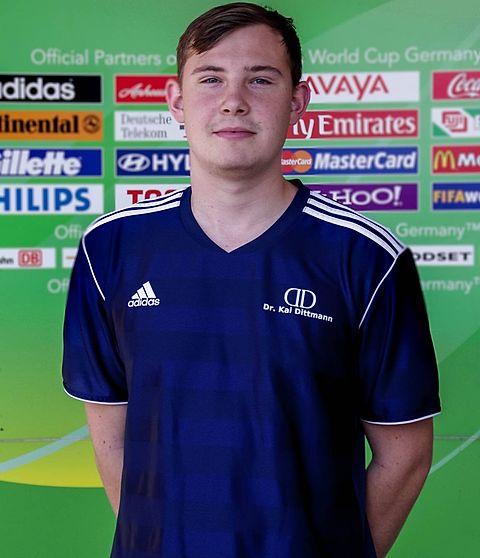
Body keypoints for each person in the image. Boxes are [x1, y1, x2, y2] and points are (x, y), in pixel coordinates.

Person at [62, 3, 441, 557]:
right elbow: (113, 441)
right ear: (176, 101)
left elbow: (404, 454)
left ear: (298, 102)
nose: (233, 100)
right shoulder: (110, 248)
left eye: (260, 79)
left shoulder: (365, 257)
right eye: (210, 78)